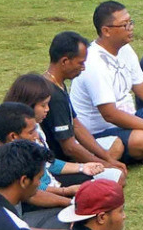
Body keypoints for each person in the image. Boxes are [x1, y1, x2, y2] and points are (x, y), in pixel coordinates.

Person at [70, 2, 143, 170]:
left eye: (130, 22)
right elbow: (110, 115)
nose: (130, 28)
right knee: (142, 139)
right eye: (124, 24)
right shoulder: (93, 63)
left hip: (129, 119)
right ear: (106, 31)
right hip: (102, 131)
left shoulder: (125, 50)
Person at [0, 101, 74, 230]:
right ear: (13, 137)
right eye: (31, 132)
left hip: (4, 225)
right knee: (69, 223)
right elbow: (14, 229)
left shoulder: (9, 157)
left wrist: (70, 202)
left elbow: (33, 194)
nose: (37, 136)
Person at [44, 32, 130, 169]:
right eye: (80, 63)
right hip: (56, 162)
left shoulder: (57, 84)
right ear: (65, 61)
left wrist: (107, 158)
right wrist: (103, 165)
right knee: (117, 177)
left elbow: (77, 126)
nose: (83, 68)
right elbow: (69, 148)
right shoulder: (54, 95)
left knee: (116, 145)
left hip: (69, 154)